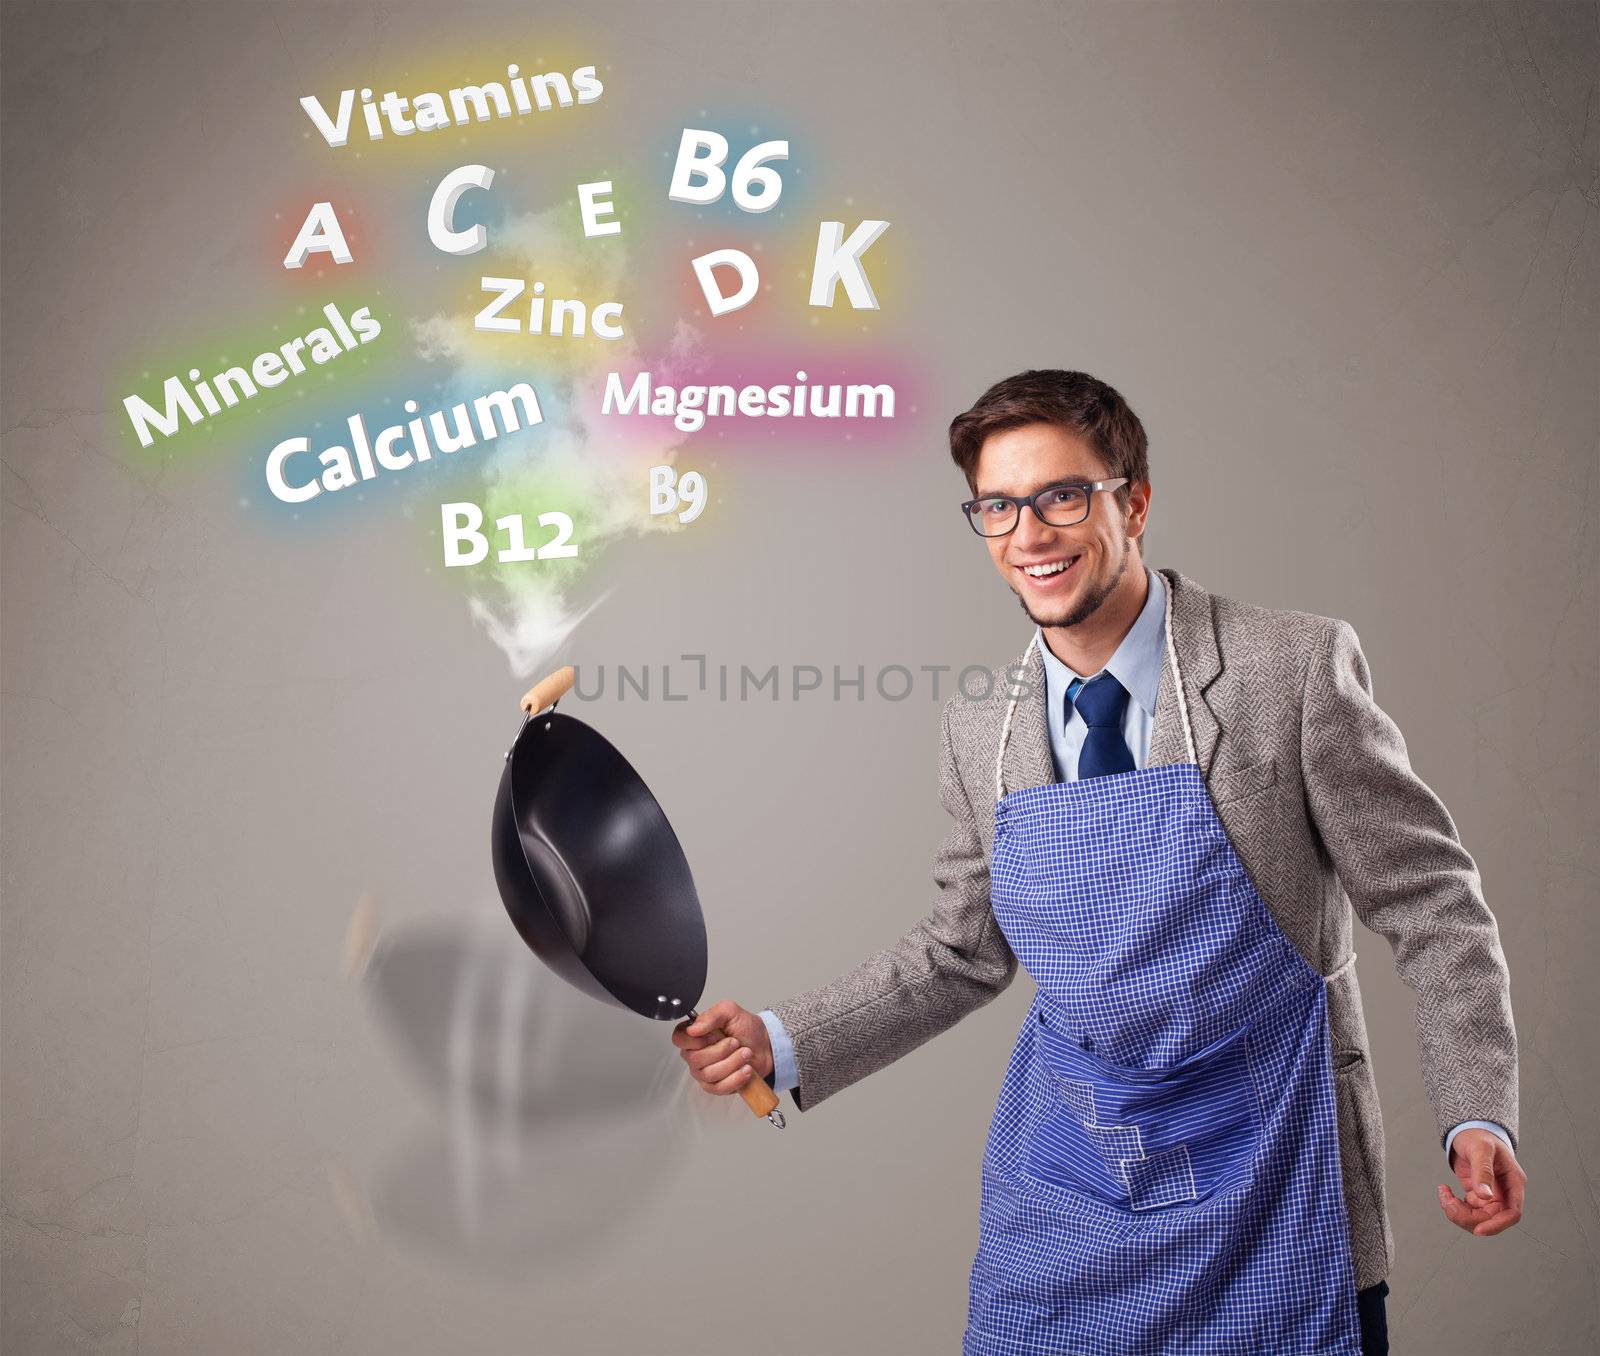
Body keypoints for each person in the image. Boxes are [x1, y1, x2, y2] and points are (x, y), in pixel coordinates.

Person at [672, 370, 1525, 1355]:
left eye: (1060, 496)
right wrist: (780, 1039)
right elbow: (961, 954)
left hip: (1276, 1197)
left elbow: (1434, 911)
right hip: (1066, 1210)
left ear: (1135, 501)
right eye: (997, 507)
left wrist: (1477, 1118)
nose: (1029, 534)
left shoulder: (1285, 670)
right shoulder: (976, 729)